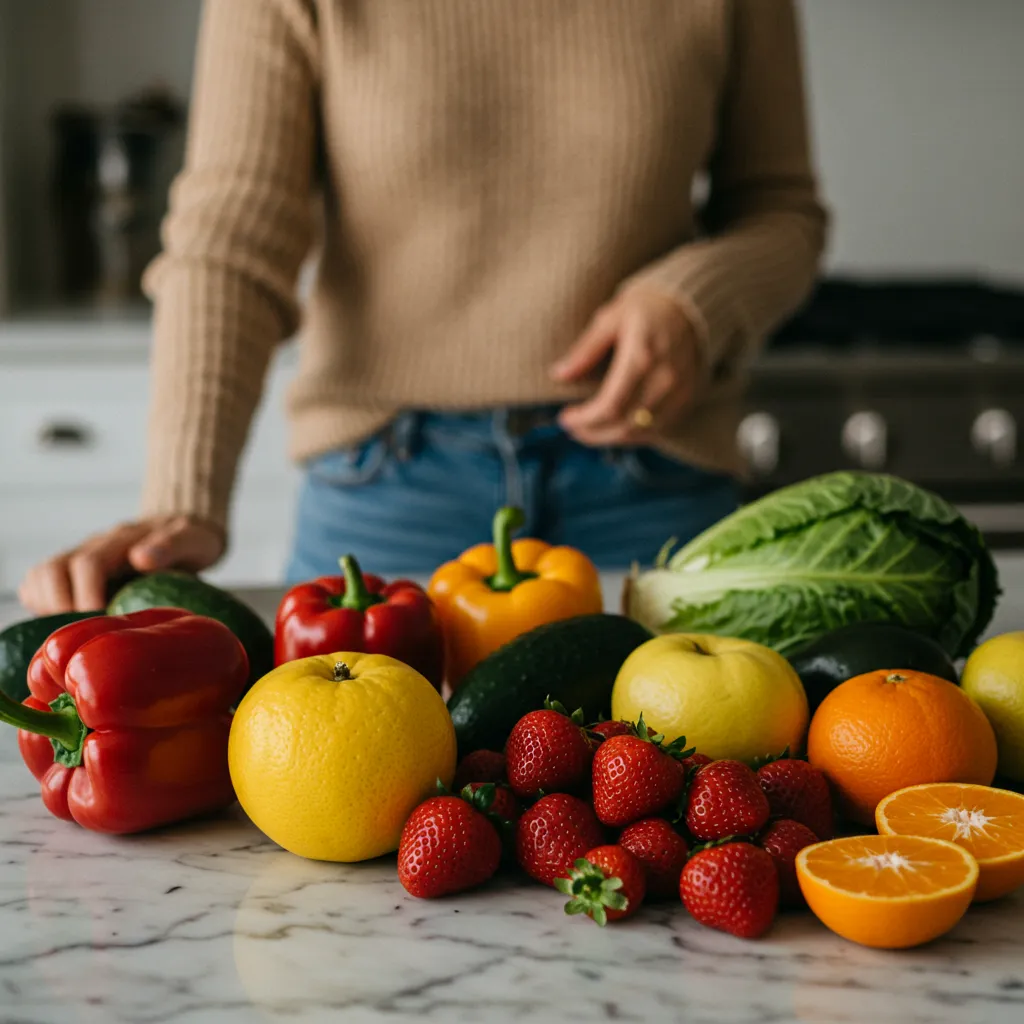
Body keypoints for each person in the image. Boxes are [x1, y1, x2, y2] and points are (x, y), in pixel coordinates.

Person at [19, 0, 826, 614]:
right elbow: (231, 240)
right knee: (338, 821)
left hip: (650, 477)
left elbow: (782, 209)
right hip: (387, 491)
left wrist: (694, 299)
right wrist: (178, 504)